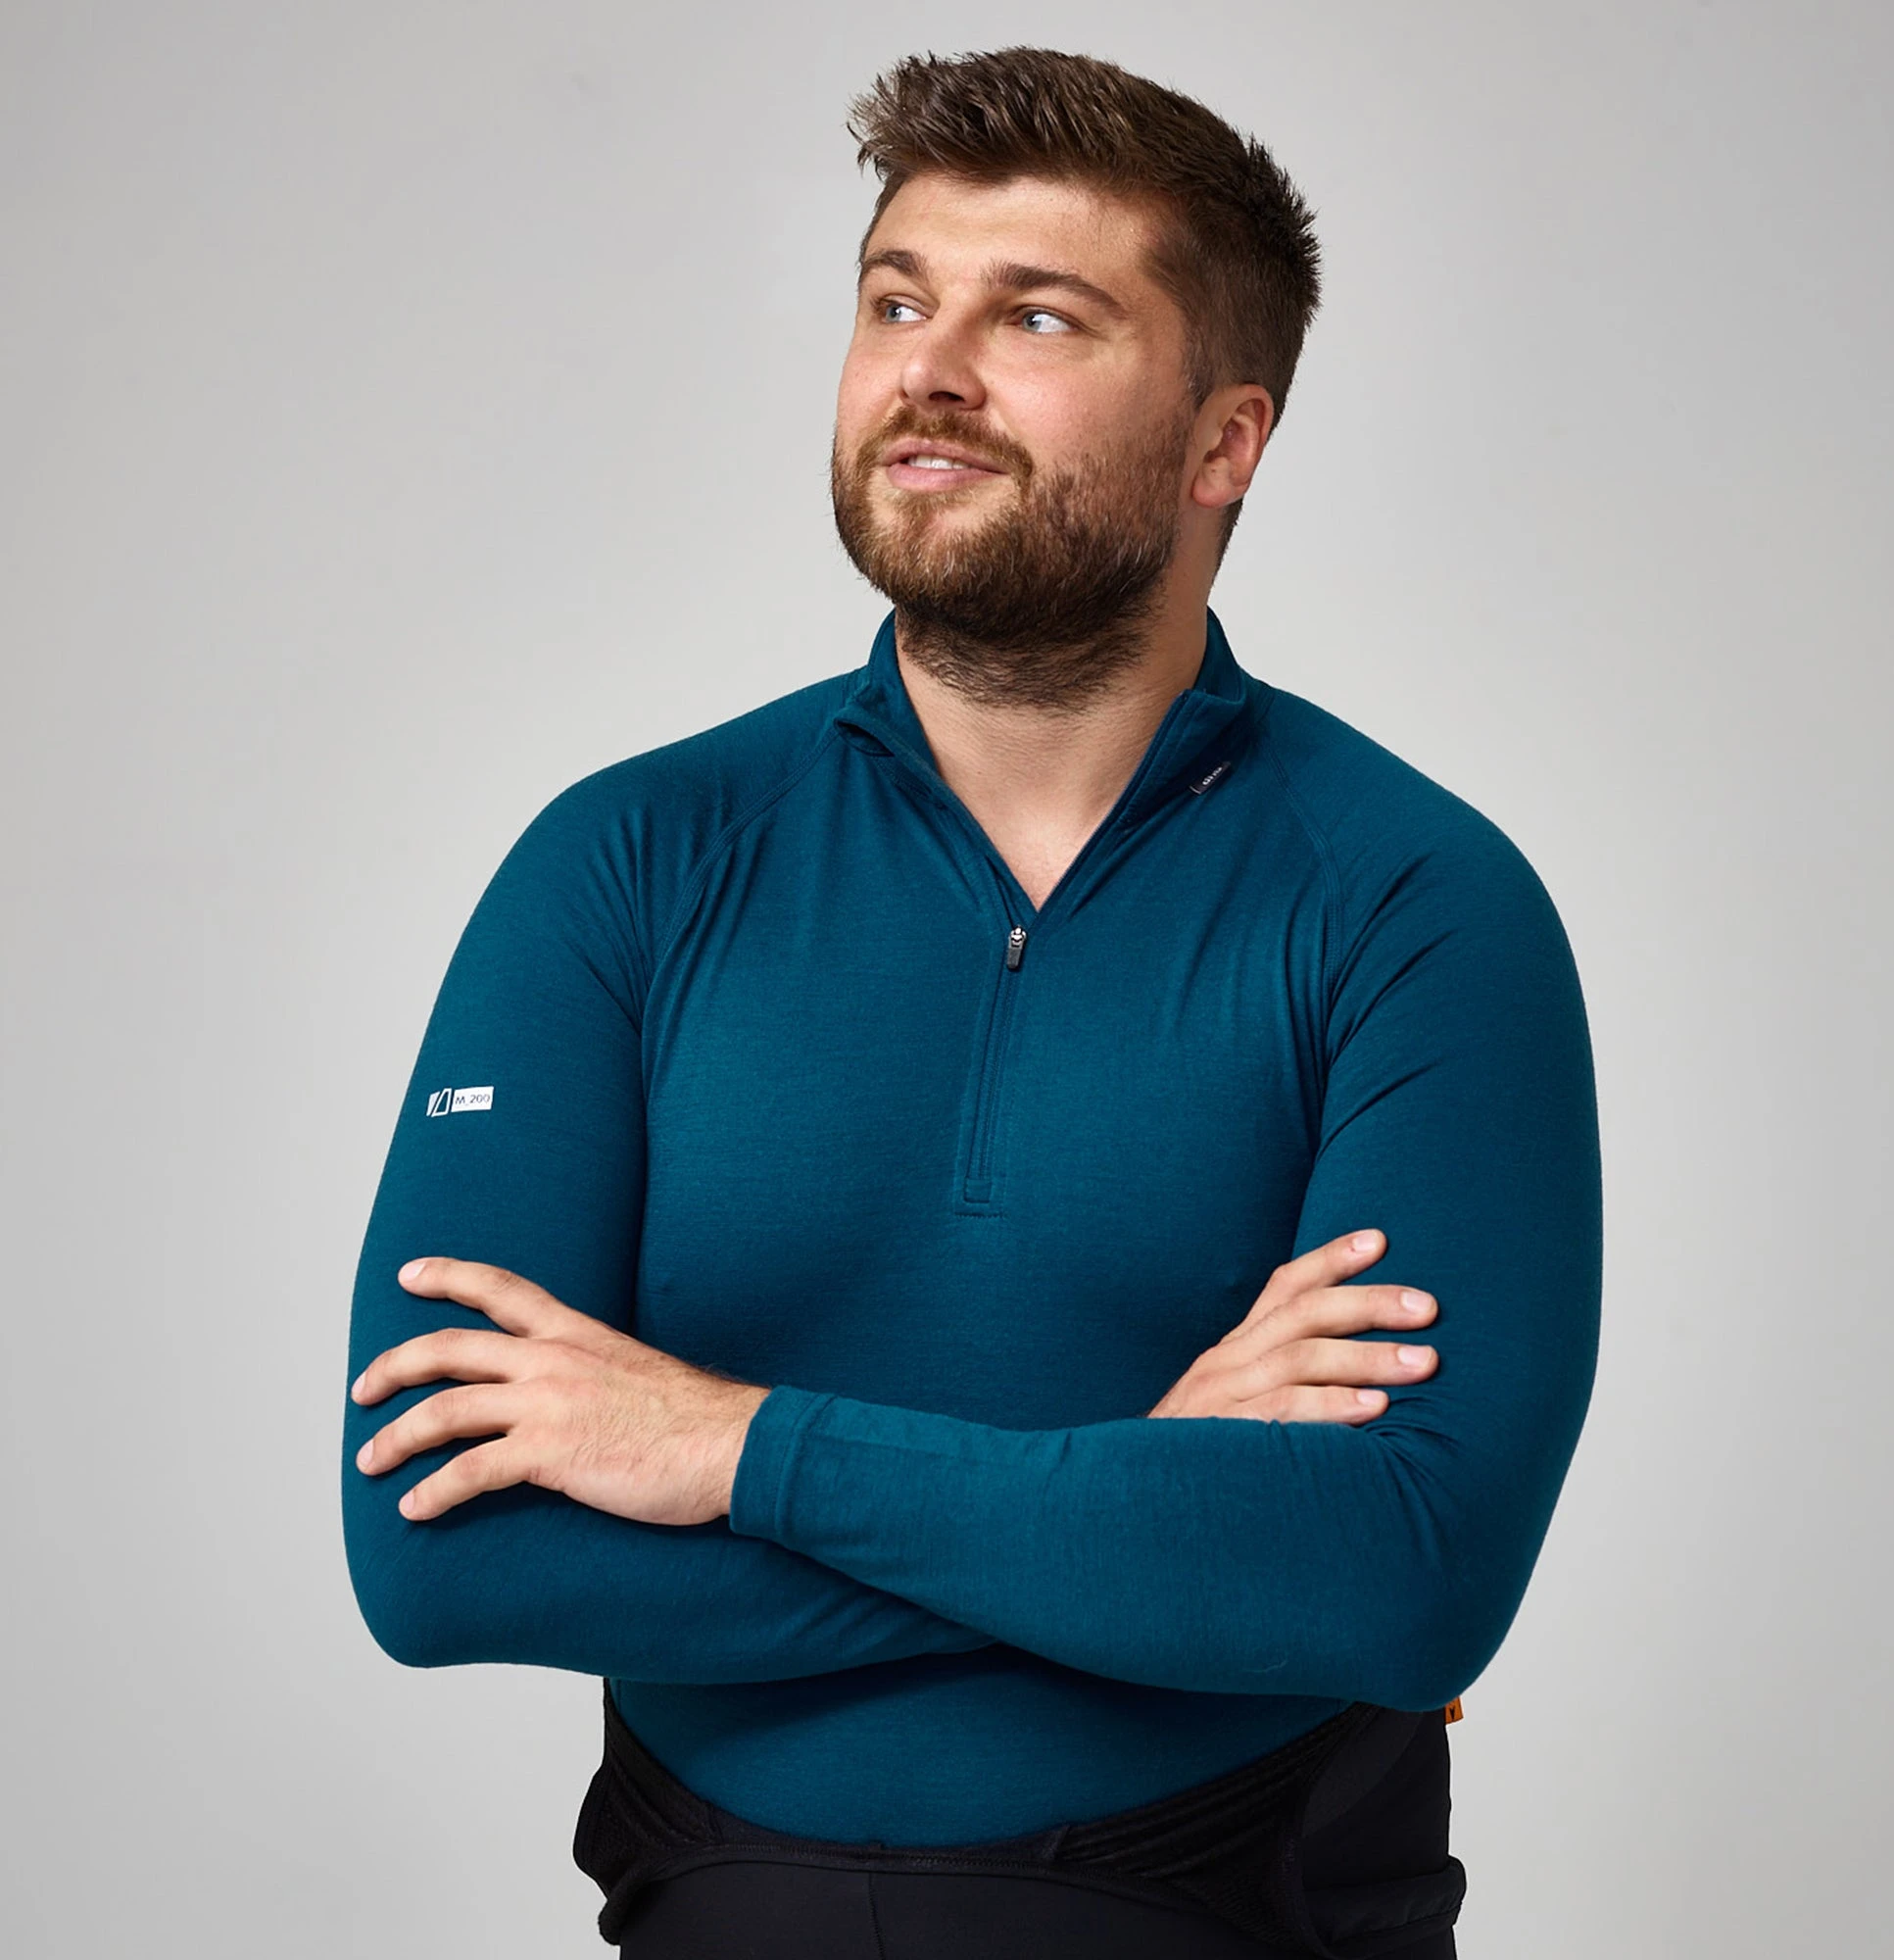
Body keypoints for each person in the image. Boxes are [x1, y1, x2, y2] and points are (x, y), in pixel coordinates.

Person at [341, 46, 1601, 1960]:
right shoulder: (628, 862)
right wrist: (1131, 1494)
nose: (928, 367)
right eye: (894, 301)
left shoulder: (1415, 901)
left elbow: (1405, 1582)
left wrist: (732, 1452)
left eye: (1036, 316)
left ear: (1225, 442)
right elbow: (440, 1553)